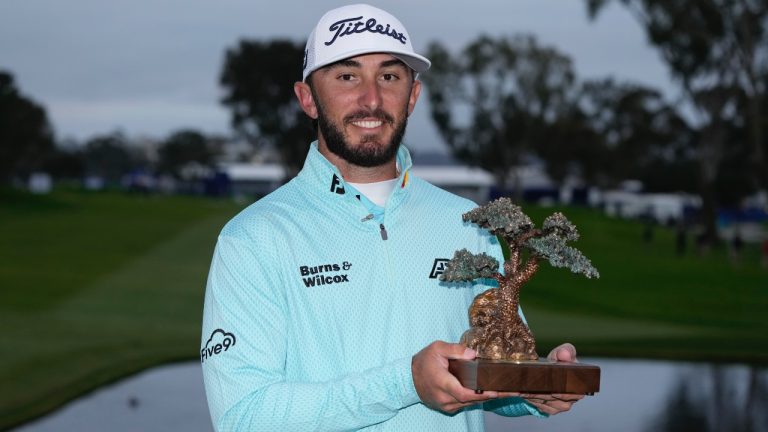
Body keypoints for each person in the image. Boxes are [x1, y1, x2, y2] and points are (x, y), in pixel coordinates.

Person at [200, 4, 583, 431]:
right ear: (307, 99)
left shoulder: (468, 221)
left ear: (413, 95)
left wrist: (534, 388)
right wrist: (406, 382)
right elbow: (243, 418)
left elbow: (490, 375)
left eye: (389, 76)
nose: (372, 99)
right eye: (347, 76)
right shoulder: (254, 238)